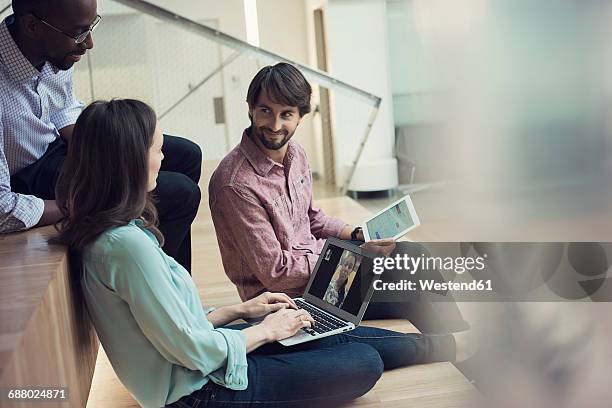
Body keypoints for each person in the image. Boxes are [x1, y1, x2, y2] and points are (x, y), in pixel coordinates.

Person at [55, 99, 473, 408]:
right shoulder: (125, 246)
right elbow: (189, 349)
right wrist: (269, 330)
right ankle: (452, 346)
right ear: (128, 163)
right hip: (197, 391)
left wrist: (241, 312)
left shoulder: (118, 235)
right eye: (156, 150)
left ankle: (454, 345)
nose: (163, 158)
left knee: (334, 330)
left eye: (289, 113)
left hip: (202, 358)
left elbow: (169, 327)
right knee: (362, 361)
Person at [209, 63, 469, 333]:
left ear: (300, 117)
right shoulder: (234, 184)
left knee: (413, 257)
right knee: (410, 285)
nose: (275, 125)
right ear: (250, 108)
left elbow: (311, 218)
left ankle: (461, 341)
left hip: (323, 274)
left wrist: (357, 235)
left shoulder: (296, 154)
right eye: (265, 111)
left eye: (286, 114)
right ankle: (462, 349)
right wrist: (348, 256)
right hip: (284, 302)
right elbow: (276, 272)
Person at [0, 0, 200, 272]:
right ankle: (148, 282)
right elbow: (2, 209)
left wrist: (111, 145)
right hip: (31, 177)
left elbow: (64, 110)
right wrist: (82, 203)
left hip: (64, 147)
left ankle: (170, 280)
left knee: (187, 156)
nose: (89, 43)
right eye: (79, 33)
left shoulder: (51, 49)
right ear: (32, 25)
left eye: (91, 27)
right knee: (180, 193)